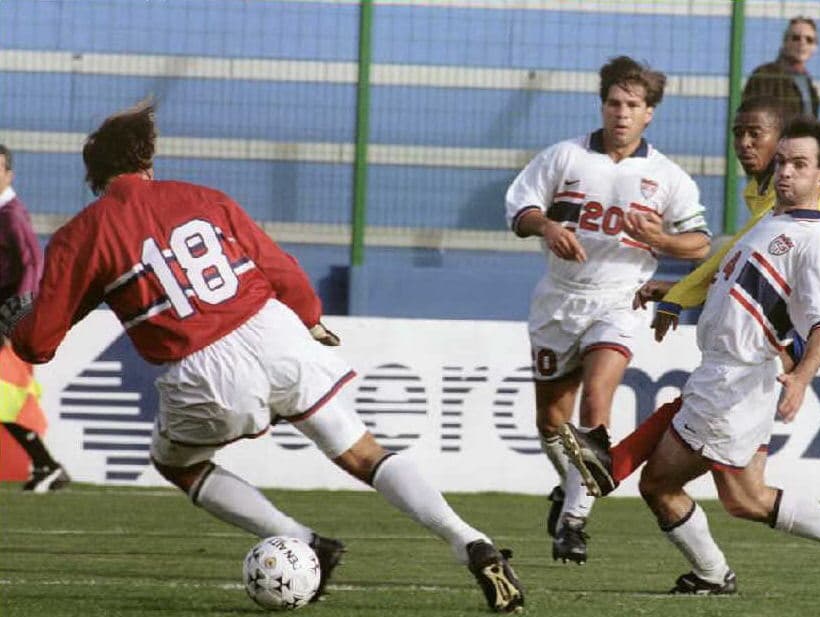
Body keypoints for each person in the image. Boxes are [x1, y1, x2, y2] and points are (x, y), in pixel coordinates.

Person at [0, 102, 524, 613]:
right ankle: (470, 540)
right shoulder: (205, 197)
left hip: (203, 366)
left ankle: (300, 539)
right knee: (365, 453)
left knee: (176, 463)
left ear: (92, 175)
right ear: (147, 162)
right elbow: (280, 268)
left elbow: (39, 343)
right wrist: (311, 316)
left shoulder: (81, 233)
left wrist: (19, 326)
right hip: (273, 330)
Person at [562, 97, 820, 576]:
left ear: (815, 164)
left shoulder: (798, 198)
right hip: (788, 305)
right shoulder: (763, 190)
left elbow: (745, 253)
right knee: (731, 409)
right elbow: (741, 258)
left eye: (756, 135)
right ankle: (621, 477)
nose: (745, 145)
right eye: (738, 134)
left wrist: (682, 291)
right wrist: (682, 293)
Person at [504, 56, 711, 563]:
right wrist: (548, 227)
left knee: (596, 403)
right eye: (614, 103)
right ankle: (569, 488)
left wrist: (660, 238)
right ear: (603, 106)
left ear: (649, 114)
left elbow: (701, 244)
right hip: (558, 300)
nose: (621, 113)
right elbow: (520, 208)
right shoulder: (564, 158)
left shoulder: (667, 177)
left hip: (620, 300)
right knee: (552, 423)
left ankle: (573, 523)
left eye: (633, 105)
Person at [0, 144, 71, 493]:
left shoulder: (11, 214)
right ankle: (46, 465)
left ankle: (47, 464)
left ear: (9, 174)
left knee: (6, 397)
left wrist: (18, 311)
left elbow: (31, 261)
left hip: (4, 317)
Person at [742, 16, 820, 120]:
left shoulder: (807, 82)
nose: (802, 43)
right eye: (796, 38)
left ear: (815, 47)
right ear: (785, 43)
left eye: (809, 40)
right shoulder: (766, 75)